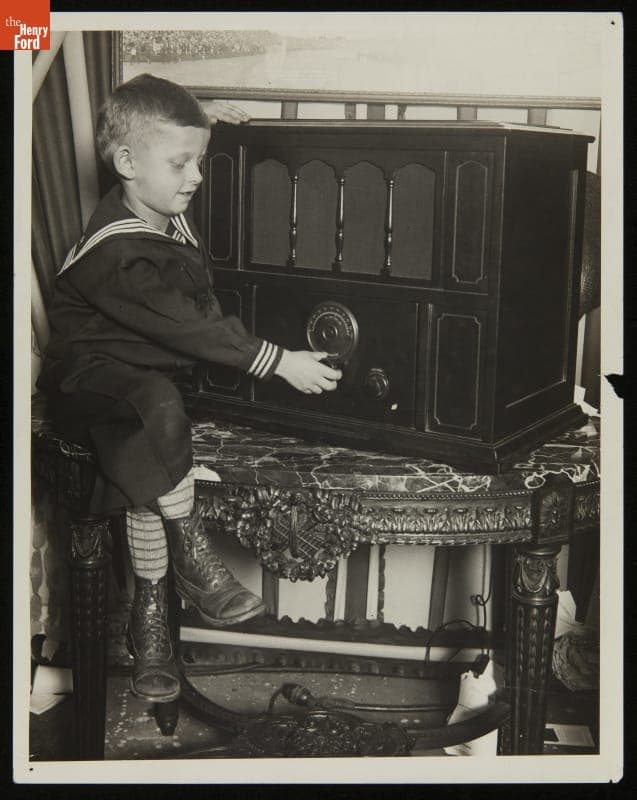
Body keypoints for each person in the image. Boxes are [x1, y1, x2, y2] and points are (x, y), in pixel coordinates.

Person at [36, 74, 342, 704]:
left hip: (144, 384)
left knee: (153, 428)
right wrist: (275, 360)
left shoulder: (155, 204)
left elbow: (156, 147)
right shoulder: (119, 253)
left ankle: (151, 617)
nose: (195, 176)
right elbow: (187, 323)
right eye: (181, 164)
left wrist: (203, 120)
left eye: (198, 161)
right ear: (125, 164)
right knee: (155, 405)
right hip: (88, 383)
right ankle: (191, 551)